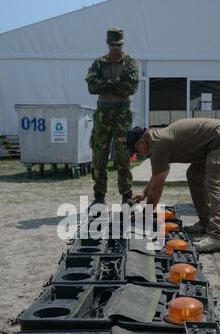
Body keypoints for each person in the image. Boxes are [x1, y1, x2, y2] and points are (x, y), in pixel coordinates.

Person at [127, 118, 220, 252]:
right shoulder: (156, 139)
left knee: (215, 184)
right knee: (194, 175)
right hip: (212, 143)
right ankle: (205, 223)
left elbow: (158, 187)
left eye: (136, 151)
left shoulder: (158, 144)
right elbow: (158, 175)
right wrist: (145, 193)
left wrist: (145, 214)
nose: (138, 155)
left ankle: (219, 236)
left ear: (141, 142)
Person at [85, 27, 139, 207]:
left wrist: (105, 84)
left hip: (123, 114)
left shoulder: (130, 62)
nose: (115, 47)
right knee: (99, 155)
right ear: (107, 43)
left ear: (122, 44)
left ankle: (127, 196)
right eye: (112, 44)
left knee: (124, 155)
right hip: (102, 114)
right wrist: (118, 83)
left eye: (118, 44)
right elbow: (92, 87)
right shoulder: (98, 63)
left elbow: (131, 87)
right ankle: (99, 196)